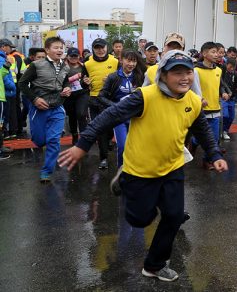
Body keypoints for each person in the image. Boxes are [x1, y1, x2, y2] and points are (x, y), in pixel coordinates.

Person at [58, 51, 227, 282]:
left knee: (174, 216)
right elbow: (109, 117)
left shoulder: (194, 101)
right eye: (177, 72)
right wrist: (83, 144)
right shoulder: (144, 97)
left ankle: (154, 265)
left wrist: (214, 154)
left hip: (172, 167)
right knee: (140, 220)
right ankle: (124, 179)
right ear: (163, 75)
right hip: (140, 170)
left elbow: (203, 130)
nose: (184, 77)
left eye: (188, 72)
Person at [18, 37, 71, 182]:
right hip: (39, 108)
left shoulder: (65, 66)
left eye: (61, 47)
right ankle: (40, 139)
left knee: (53, 140)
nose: (59, 50)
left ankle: (46, 171)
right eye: (56, 47)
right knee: (40, 140)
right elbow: (22, 84)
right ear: (47, 50)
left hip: (57, 107)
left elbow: (66, 81)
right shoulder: (36, 65)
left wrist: (67, 88)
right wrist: (35, 99)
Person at [98, 50, 146, 167]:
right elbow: (101, 96)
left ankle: (134, 170)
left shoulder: (140, 76)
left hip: (136, 118)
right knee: (122, 146)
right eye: (128, 60)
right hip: (119, 117)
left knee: (136, 147)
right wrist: (115, 106)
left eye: (134, 61)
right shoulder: (113, 77)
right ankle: (122, 171)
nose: (131, 64)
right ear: (121, 60)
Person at [82, 38, 120, 169]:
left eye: (102, 47)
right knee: (100, 129)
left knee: (110, 128)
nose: (100, 50)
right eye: (97, 48)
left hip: (110, 100)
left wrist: (111, 80)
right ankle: (103, 158)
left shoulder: (115, 62)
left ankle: (109, 139)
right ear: (93, 49)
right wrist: (85, 82)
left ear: (106, 47)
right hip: (94, 100)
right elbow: (83, 82)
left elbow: (121, 79)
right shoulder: (87, 63)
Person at [63, 47, 89, 146]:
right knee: (72, 116)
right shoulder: (63, 67)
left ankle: (83, 137)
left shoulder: (84, 66)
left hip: (82, 93)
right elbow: (60, 80)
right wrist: (75, 77)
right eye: (71, 56)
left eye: (76, 56)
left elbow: (88, 77)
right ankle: (74, 136)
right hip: (69, 95)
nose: (74, 58)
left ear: (79, 56)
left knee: (81, 114)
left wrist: (86, 81)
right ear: (67, 56)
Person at [221, 60, 237, 140]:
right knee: (225, 115)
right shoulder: (222, 73)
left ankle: (225, 131)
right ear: (226, 65)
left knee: (231, 117)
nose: (231, 69)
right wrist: (223, 93)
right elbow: (221, 85)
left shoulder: (235, 74)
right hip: (223, 98)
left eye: (233, 67)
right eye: (230, 67)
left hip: (232, 98)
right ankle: (222, 131)